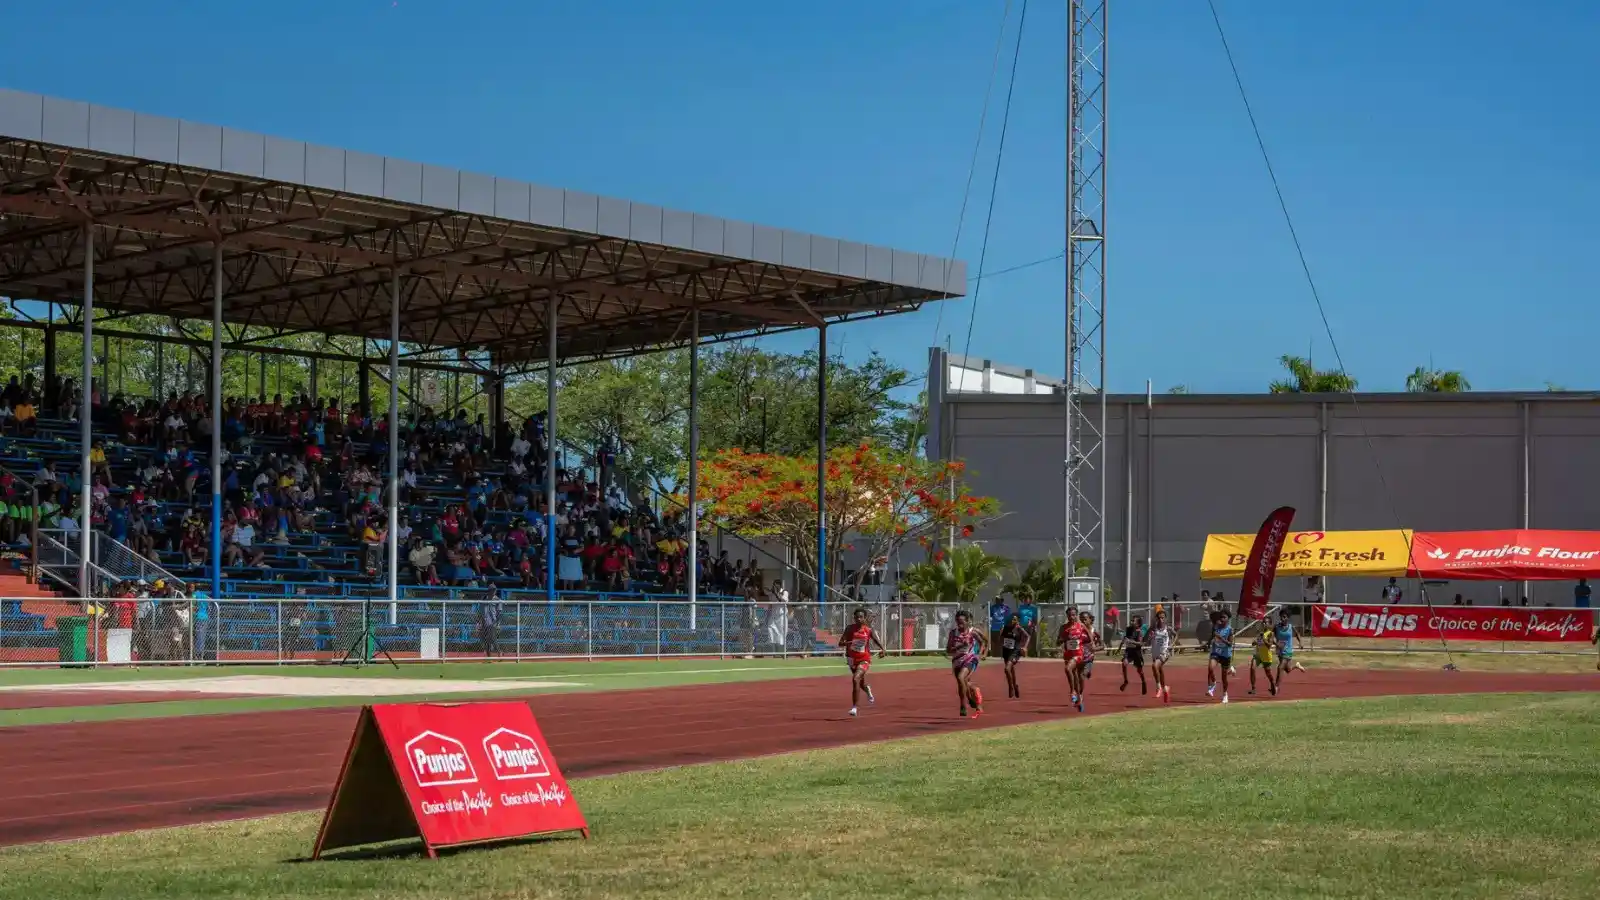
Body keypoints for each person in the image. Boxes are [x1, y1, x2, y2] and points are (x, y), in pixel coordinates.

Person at [839, 607, 886, 717]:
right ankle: (867, 689)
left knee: (855, 679)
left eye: (861, 617)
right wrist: (849, 643)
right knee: (860, 683)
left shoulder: (869, 630)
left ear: (865, 618)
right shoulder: (850, 629)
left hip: (864, 659)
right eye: (856, 617)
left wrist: (883, 650)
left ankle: (854, 708)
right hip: (851, 659)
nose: (858, 619)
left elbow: (877, 641)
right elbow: (840, 643)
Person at [945, 610, 987, 718]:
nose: (960, 624)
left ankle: (963, 705)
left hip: (970, 659)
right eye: (958, 621)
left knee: (961, 678)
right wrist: (960, 646)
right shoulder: (953, 633)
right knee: (964, 683)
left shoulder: (973, 631)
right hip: (957, 661)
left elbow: (984, 641)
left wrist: (982, 653)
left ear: (967, 622)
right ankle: (974, 701)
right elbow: (948, 650)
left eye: (962, 622)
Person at [1058, 607, 1090, 712]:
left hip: (1078, 654)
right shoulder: (1063, 628)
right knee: (1074, 675)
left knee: (1067, 669)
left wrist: (1081, 641)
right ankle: (1079, 700)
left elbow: (1089, 638)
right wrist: (1064, 639)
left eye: (1073, 615)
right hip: (1068, 654)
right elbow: (1058, 641)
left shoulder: (1081, 626)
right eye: (1069, 615)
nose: (1072, 617)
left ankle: (1072, 692)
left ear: (1076, 615)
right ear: (1067, 616)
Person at [1148, 609, 1176, 704]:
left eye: (1162, 618)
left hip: (1164, 652)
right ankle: (1165, 688)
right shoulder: (1153, 628)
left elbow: (1176, 635)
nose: (1161, 620)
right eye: (1159, 618)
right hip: (1155, 652)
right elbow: (1145, 638)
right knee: (1159, 669)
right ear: (1156, 618)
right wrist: (1148, 637)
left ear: (1165, 618)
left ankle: (1158, 687)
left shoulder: (1168, 628)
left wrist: (1172, 644)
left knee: (1154, 666)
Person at [998, 614, 1030, 699]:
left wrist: (1025, 647)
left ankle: (1010, 686)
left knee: (1007, 669)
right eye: (1012, 619)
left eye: (1015, 619)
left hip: (1015, 651)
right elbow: (1001, 638)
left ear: (1018, 621)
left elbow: (1028, 636)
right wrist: (1001, 644)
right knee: (1010, 670)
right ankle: (1015, 685)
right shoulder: (1006, 627)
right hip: (1006, 651)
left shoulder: (1019, 628)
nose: (1013, 621)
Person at [1206, 609, 1234, 703]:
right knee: (1210, 668)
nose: (1222, 619)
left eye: (1224, 617)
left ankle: (1225, 694)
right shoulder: (1216, 626)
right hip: (1216, 652)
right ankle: (1213, 683)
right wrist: (1208, 643)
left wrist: (1221, 638)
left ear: (1228, 619)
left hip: (1225, 655)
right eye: (1221, 617)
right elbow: (1212, 635)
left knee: (1224, 677)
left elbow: (1230, 644)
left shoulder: (1230, 630)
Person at [1273, 608, 1306, 683]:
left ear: (1288, 618)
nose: (1282, 618)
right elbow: (1271, 636)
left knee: (1280, 667)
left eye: (1284, 617)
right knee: (1287, 670)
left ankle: (1276, 687)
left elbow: (1297, 634)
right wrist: (1276, 643)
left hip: (1288, 650)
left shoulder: (1291, 627)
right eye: (1281, 616)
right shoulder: (1276, 627)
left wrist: (1300, 642)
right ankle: (1296, 666)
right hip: (1280, 650)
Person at [1119, 614, 1147, 695]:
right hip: (1129, 651)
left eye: (1133, 621)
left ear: (1138, 624)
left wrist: (1131, 641)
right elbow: (1124, 638)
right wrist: (1119, 648)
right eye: (1131, 620)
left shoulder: (1139, 632)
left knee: (1139, 670)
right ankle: (1126, 681)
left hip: (1136, 652)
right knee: (1124, 663)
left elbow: (1140, 644)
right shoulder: (1128, 629)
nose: (1131, 621)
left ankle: (1143, 682)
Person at [1249, 626, 1278, 696]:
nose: (1264, 624)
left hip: (1266, 656)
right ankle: (1253, 688)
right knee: (1252, 668)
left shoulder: (1270, 633)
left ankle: (1272, 682)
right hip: (1258, 655)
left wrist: (1264, 639)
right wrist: (1254, 642)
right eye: (1263, 622)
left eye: (1266, 622)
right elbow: (1254, 643)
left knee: (1268, 673)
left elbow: (1269, 646)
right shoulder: (1260, 633)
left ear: (1270, 624)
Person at [988, 594, 1012, 658]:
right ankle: (994, 655)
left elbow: (1008, 618)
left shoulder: (1006, 607)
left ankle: (1002, 655)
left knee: (1001, 641)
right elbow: (990, 616)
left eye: (998, 599)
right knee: (994, 641)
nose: (997, 601)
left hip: (1002, 626)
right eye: (996, 599)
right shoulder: (992, 607)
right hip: (994, 627)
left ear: (1002, 600)